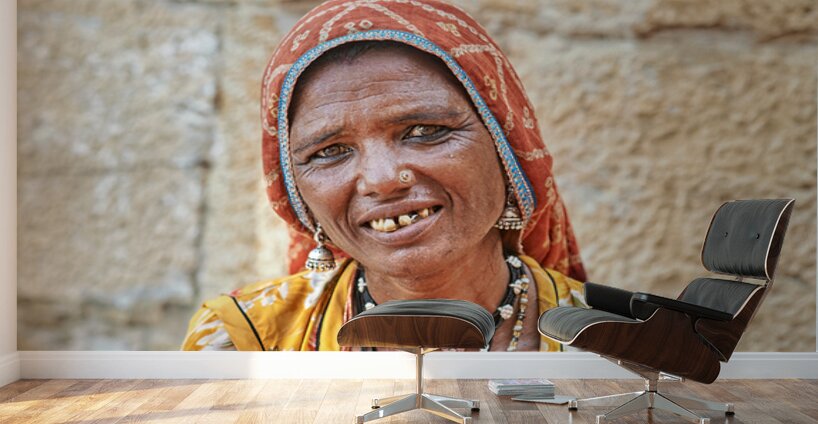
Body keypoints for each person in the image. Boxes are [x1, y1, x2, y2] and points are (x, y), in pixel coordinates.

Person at [182, 0, 588, 352]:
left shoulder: (619, 342)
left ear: (508, 149)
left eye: (425, 131)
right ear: (298, 196)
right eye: (330, 152)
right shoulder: (245, 343)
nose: (382, 179)